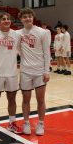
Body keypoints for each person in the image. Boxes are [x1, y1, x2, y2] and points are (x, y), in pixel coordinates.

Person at [0, 12, 22, 136]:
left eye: (8, 19)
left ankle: (12, 123)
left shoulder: (16, 35)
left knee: (12, 99)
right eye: (3, 19)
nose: (7, 21)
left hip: (12, 73)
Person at [17, 8, 50, 136]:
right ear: (21, 19)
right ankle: (26, 123)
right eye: (25, 17)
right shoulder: (18, 33)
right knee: (26, 99)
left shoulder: (43, 32)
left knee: (40, 99)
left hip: (40, 71)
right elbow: (17, 48)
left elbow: (47, 53)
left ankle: (41, 123)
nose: (27, 18)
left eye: (29, 16)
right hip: (25, 71)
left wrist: (46, 71)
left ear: (33, 17)